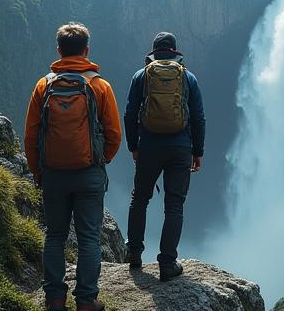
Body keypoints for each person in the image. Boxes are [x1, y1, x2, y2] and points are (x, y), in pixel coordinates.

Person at [24, 22, 122, 311]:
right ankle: (86, 301)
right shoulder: (99, 86)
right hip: (88, 173)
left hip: (53, 173)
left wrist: (38, 170)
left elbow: (31, 134)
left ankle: (55, 299)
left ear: (59, 50)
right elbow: (114, 134)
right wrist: (99, 159)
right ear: (86, 50)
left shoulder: (44, 85)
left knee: (54, 235)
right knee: (88, 237)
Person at [124, 32, 205, 281]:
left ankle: (135, 254)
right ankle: (167, 264)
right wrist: (197, 151)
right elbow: (198, 117)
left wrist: (133, 146)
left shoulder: (141, 76)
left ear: (154, 52)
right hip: (180, 148)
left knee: (140, 199)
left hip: (148, 146)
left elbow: (129, 114)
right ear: (174, 51)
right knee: (174, 205)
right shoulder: (188, 77)